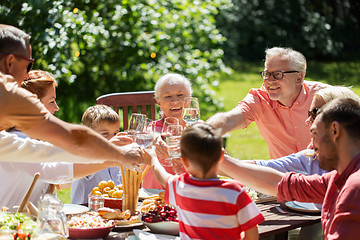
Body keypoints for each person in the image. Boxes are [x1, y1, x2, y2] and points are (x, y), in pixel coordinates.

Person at [0, 24, 143, 164]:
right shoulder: (8, 93)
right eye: (28, 65)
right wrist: (122, 154)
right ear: (10, 61)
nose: (26, 76)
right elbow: (73, 137)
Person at [219, 98, 360, 239]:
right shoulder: (336, 179)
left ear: (335, 130)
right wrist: (218, 157)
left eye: (315, 135)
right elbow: (278, 183)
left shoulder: (354, 188)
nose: (311, 146)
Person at [0, 72, 125, 208]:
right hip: (10, 225)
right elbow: (51, 170)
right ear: (32, 105)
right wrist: (112, 156)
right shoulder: (16, 141)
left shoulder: (40, 139)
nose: (57, 107)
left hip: (36, 223)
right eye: (52, 101)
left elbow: (61, 179)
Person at [145, 123, 264, 240]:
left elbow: (161, 175)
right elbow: (252, 235)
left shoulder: (180, 186)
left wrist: (153, 157)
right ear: (221, 156)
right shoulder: (235, 191)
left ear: (184, 161)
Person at [207, 47, 329, 158]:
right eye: (267, 74)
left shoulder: (325, 96)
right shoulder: (260, 99)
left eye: (277, 74)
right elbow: (229, 119)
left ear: (299, 78)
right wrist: (204, 132)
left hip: (326, 175)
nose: (270, 81)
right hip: (282, 177)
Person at [143, 73, 192, 189]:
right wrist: (157, 140)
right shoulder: (153, 128)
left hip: (189, 194)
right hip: (155, 197)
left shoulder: (198, 128)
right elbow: (153, 134)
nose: (175, 101)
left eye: (180, 95)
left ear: (190, 99)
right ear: (158, 102)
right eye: (167, 96)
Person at [71, 105, 123, 205]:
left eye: (115, 133)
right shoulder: (85, 154)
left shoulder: (117, 155)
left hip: (111, 208)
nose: (112, 139)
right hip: (85, 210)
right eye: (105, 134)